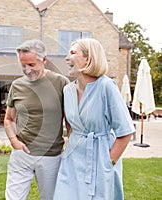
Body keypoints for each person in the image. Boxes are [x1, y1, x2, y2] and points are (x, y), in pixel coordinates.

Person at [53, 38, 135, 200]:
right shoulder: (67, 90)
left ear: (88, 58)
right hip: (72, 161)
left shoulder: (106, 86)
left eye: (73, 53)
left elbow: (125, 132)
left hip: (100, 159)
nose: (66, 58)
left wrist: (108, 163)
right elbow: (70, 127)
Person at [4, 39, 69, 200]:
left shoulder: (61, 83)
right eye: (23, 65)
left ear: (44, 60)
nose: (27, 70)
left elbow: (70, 121)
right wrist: (14, 141)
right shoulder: (17, 85)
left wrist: (71, 143)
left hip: (51, 156)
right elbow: (9, 119)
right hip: (21, 154)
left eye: (31, 65)